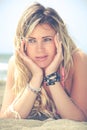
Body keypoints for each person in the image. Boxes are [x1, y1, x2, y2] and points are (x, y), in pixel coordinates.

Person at [0, 2, 87, 121]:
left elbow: (80, 120)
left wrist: (51, 76)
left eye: (47, 39)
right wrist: (37, 77)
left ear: (59, 40)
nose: (39, 49)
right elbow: (6, 119)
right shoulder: (16, 64)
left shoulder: (78, 60)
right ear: (23, 44)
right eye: (32, 40)